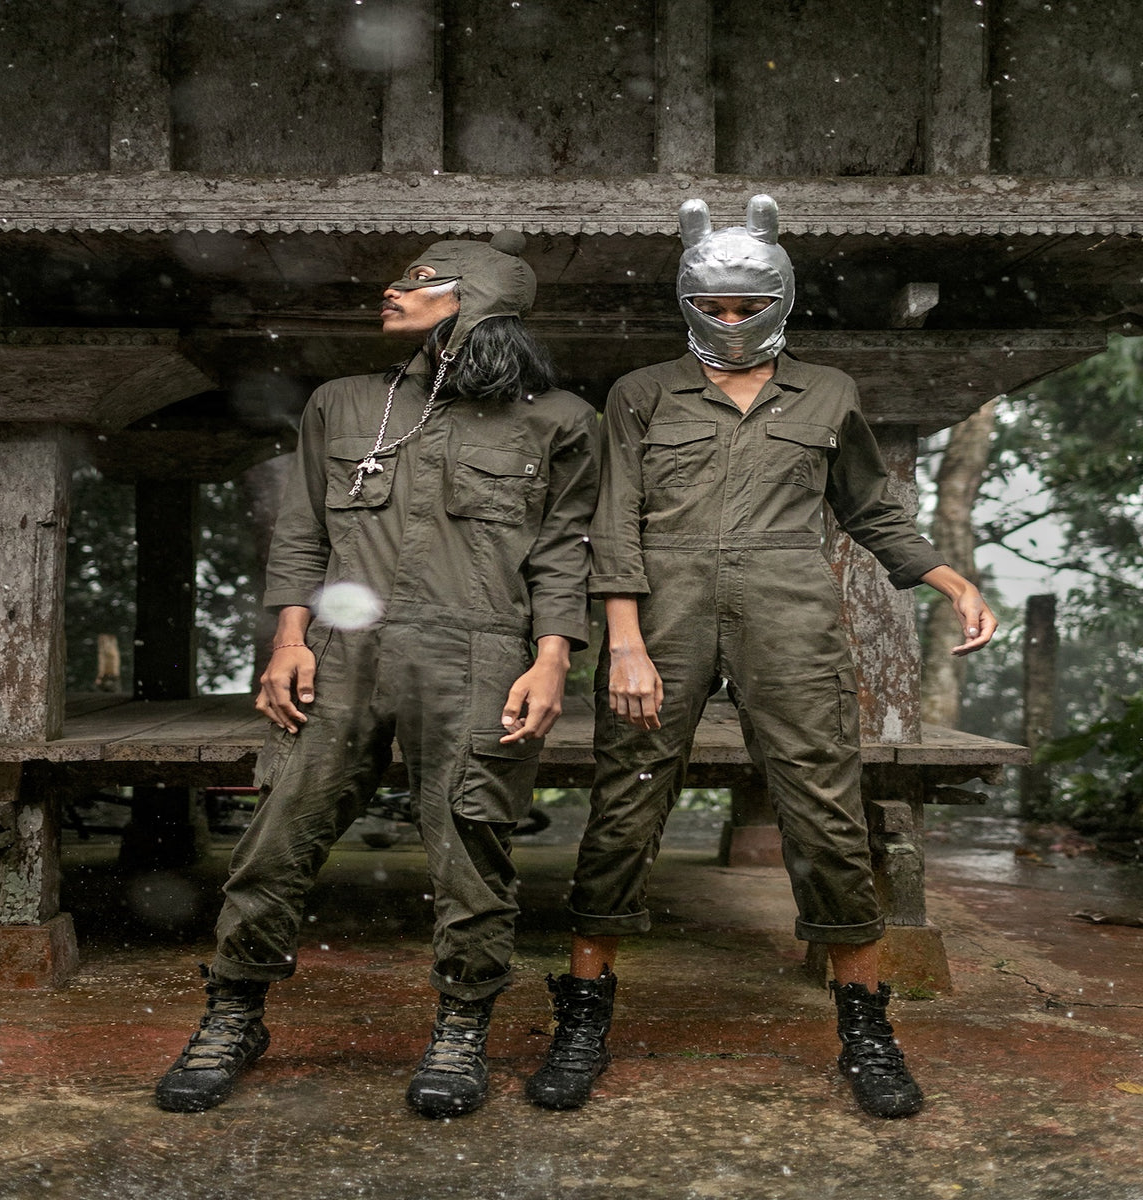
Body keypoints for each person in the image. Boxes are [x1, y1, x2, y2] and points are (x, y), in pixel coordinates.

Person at [525, 196, 997, 1120]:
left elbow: (869, 504)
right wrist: (623, 641)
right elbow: (610, 519)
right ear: (689, 300)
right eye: (717, 306)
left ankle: (865, 1023)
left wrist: (951, 580)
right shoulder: (643, 393)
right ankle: (584, 1017)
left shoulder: (827, 393)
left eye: (750, 307)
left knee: (825, 803)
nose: (732, 323)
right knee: (627, 803)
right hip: (661, 611)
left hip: (790, 608)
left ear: (781, 300)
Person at [154, 232, 599, 1118]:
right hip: (342, 652)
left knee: (470, 845)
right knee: (279, 831)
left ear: (470, 302)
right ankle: (235, 1012)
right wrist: (289, 639)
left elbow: (563, 553)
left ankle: (461, 1025)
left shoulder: (557, 420)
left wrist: (552, 659)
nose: (391, 294)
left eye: (418, 284)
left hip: (479, 653)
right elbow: (304, 533)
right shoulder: (345, 403)